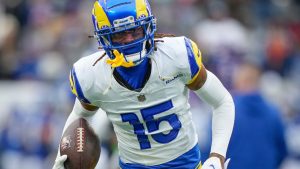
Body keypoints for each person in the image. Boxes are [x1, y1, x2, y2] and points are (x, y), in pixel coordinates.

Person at [53, 0, 235, 168]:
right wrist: (64, 159)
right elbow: (80, 117)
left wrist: (217, 156)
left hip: (186, 164)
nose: (130, 40)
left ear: (149, 26)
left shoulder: (177, 55)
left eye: (135, 30)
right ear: (103, 38)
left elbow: (222, 101)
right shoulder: (91, 74)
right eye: (119, 34)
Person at [227, 62, 287, 169]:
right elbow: (282, 151)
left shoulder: (225, 111)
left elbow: (210, 151)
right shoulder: (273, 112)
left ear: (239, 81)